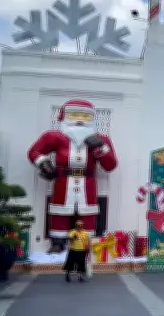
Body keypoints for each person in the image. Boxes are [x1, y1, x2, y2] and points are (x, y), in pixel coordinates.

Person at [28, 99, 119, 242]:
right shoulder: (54, 137)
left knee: (87, 211)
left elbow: (111, 165)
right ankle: (58, 241)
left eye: (85, 116)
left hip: (87, 182)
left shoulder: (101, 139)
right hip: (63, 181)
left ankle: (84, 241)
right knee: (60, 210)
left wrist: (99, 149)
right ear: (64, 116)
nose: (80, 120)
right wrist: (44, 163)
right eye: (74, 115)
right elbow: (34, 152)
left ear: (93, 119)